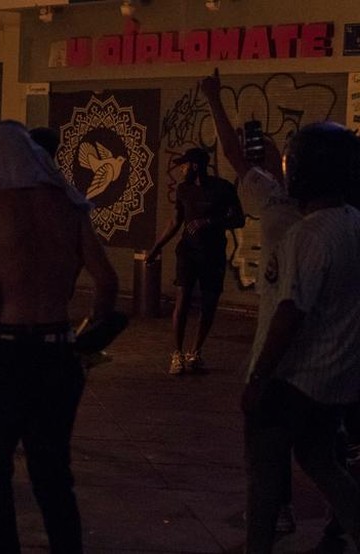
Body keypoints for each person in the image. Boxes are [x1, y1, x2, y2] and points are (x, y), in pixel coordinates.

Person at [0, 120, 118, 553]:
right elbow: (107, 281)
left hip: (4, 355)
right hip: (58, 353)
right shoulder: (68, 205)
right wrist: (88, 340)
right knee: (54, 476)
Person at [241, 121, 360, 553]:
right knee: (322, 462)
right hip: (335, 378)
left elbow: (289, 313)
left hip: (292, 381)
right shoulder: (353, 222)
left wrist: (259, 379)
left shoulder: (308, 235)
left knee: (265, 477)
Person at [199, 70, 302, 538]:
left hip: (281, 331)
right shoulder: (333, 212)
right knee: (322, 443)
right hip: (328, 342)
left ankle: (271, 516)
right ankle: (338, 519)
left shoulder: (277, 202)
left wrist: (214, 99)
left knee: (264, 432)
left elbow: (234, 156)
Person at [146, 146, 244, 374]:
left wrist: (209, 222)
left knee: (209, 304)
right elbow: (175, 222)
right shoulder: (183, 189)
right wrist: (156, 247)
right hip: (188, 252)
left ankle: (195, 353)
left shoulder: (223, 188)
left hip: (213, 254)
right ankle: (177, 354)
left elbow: (238, 220)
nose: (181, 170)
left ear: (195, 166)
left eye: (184, 165)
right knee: (182, 300)